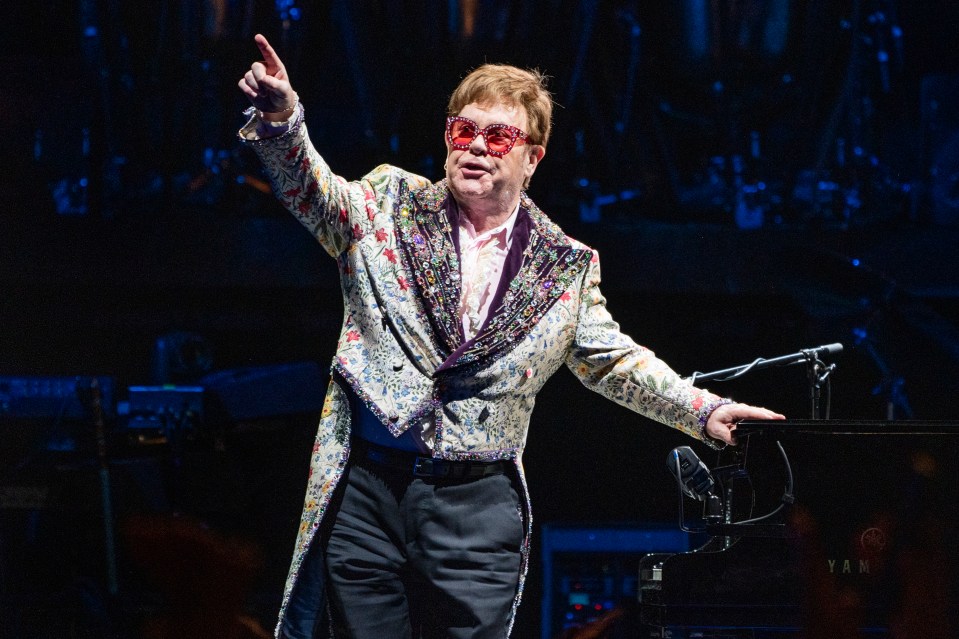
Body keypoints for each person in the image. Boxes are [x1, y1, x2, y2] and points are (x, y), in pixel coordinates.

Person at [237, 34, 784, 639]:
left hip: (476, 507)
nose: (476, 148)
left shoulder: (562, 267)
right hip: (369, 490)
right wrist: (285, 119)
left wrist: (703, 411)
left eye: (499, 137)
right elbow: (313, 193)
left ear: (533, 158)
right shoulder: (388, 203)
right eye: (462, 131)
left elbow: (615, 361)